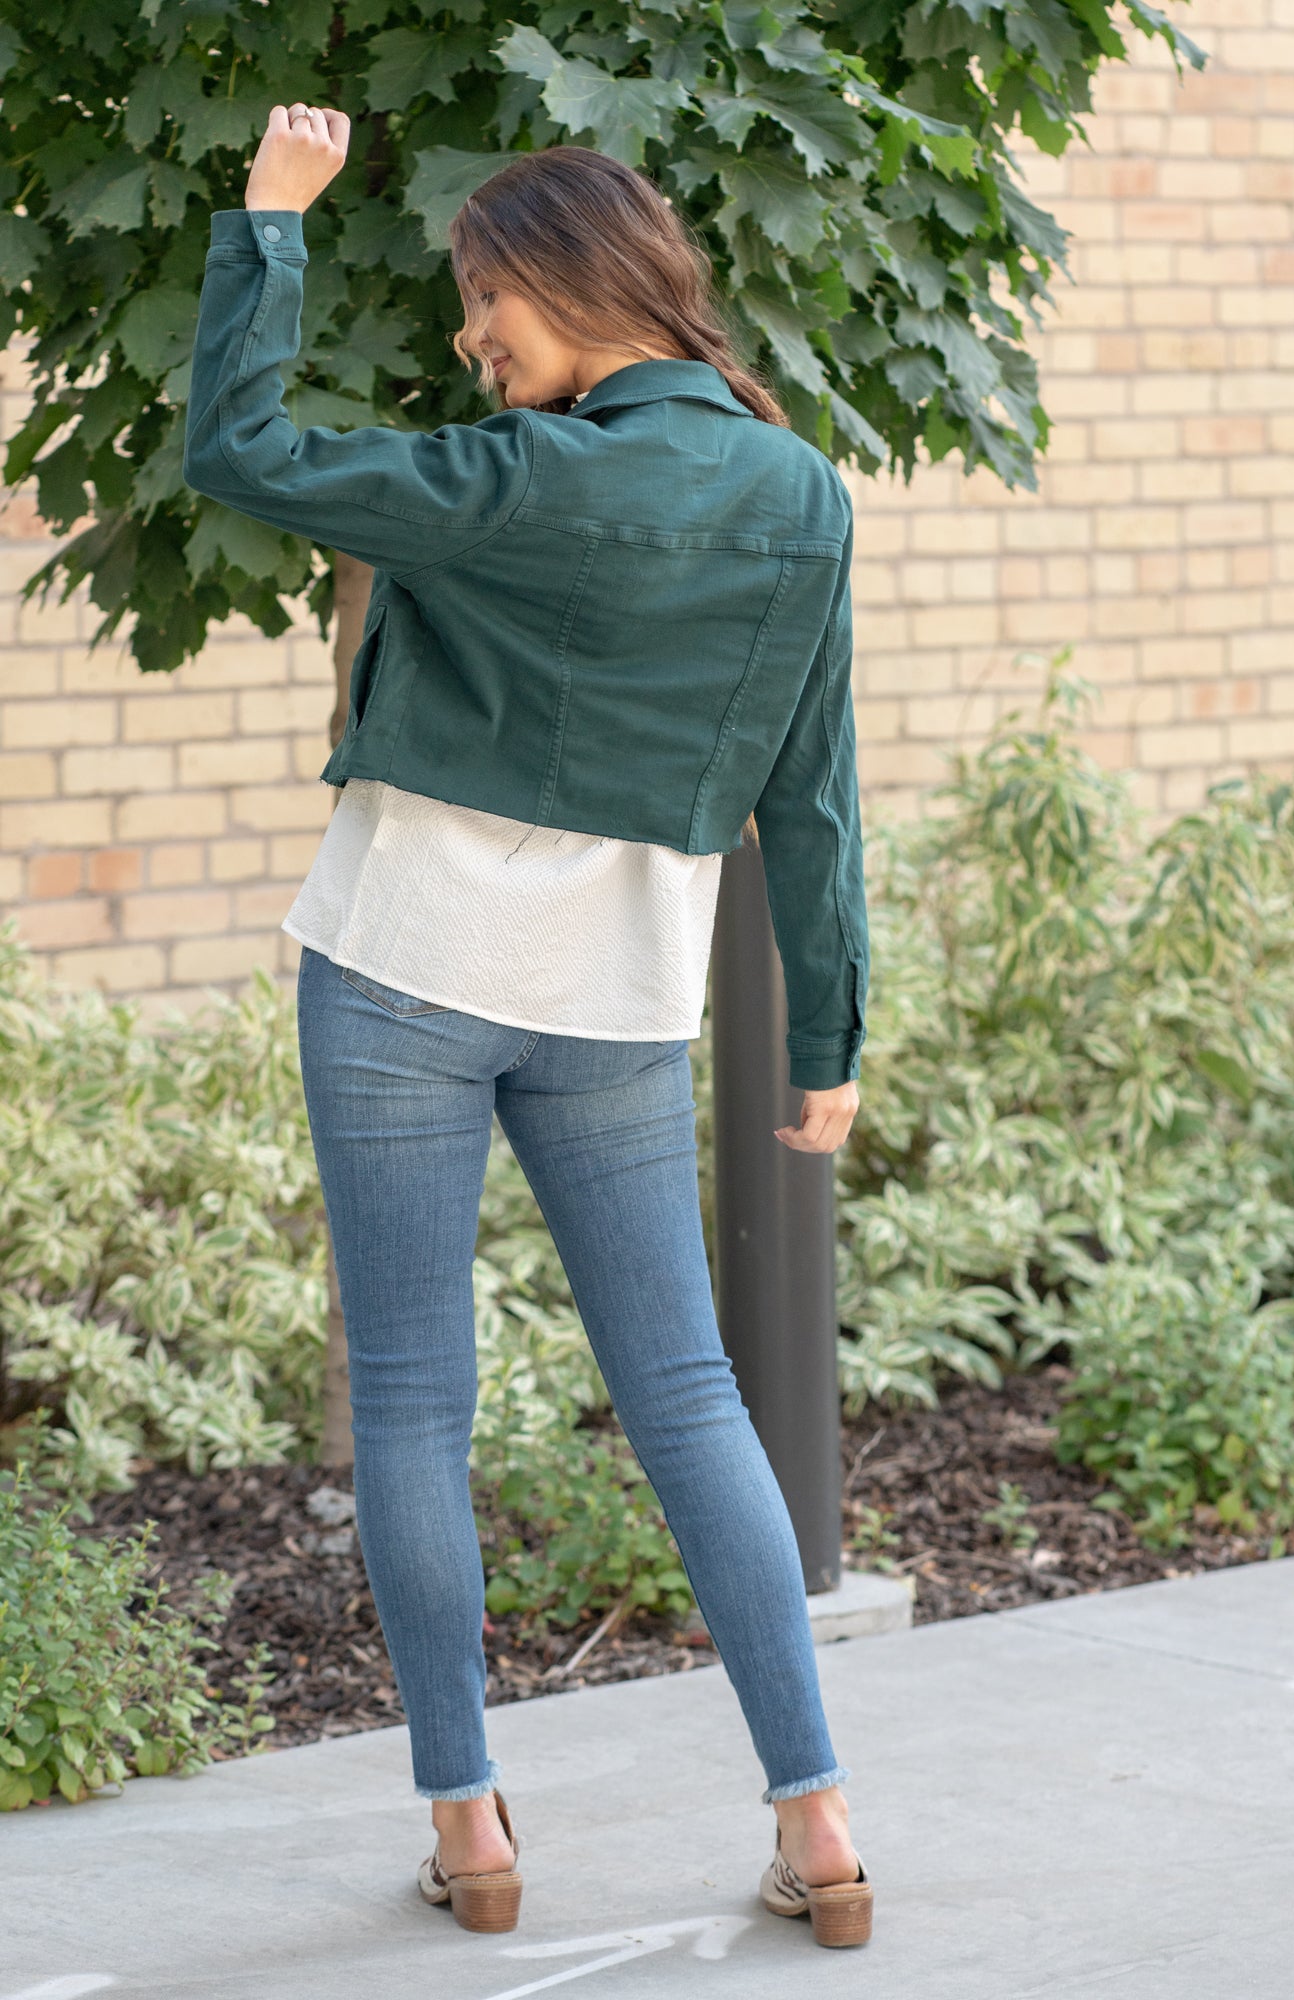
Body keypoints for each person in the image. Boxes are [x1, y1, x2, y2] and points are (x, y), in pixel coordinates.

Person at [183, 102, 873, 1950]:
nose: (472, 334)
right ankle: (816, 1823)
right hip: (619, 998)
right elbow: (812, 796)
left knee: (415, 1397)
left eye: (487, 296)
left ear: (575, 283)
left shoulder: (511, 477)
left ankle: (469, 1826)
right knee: (689, 1395)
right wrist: (826, 1039)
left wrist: (271, 216)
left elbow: (238, 446)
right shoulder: (800, 495)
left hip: (400, 965)